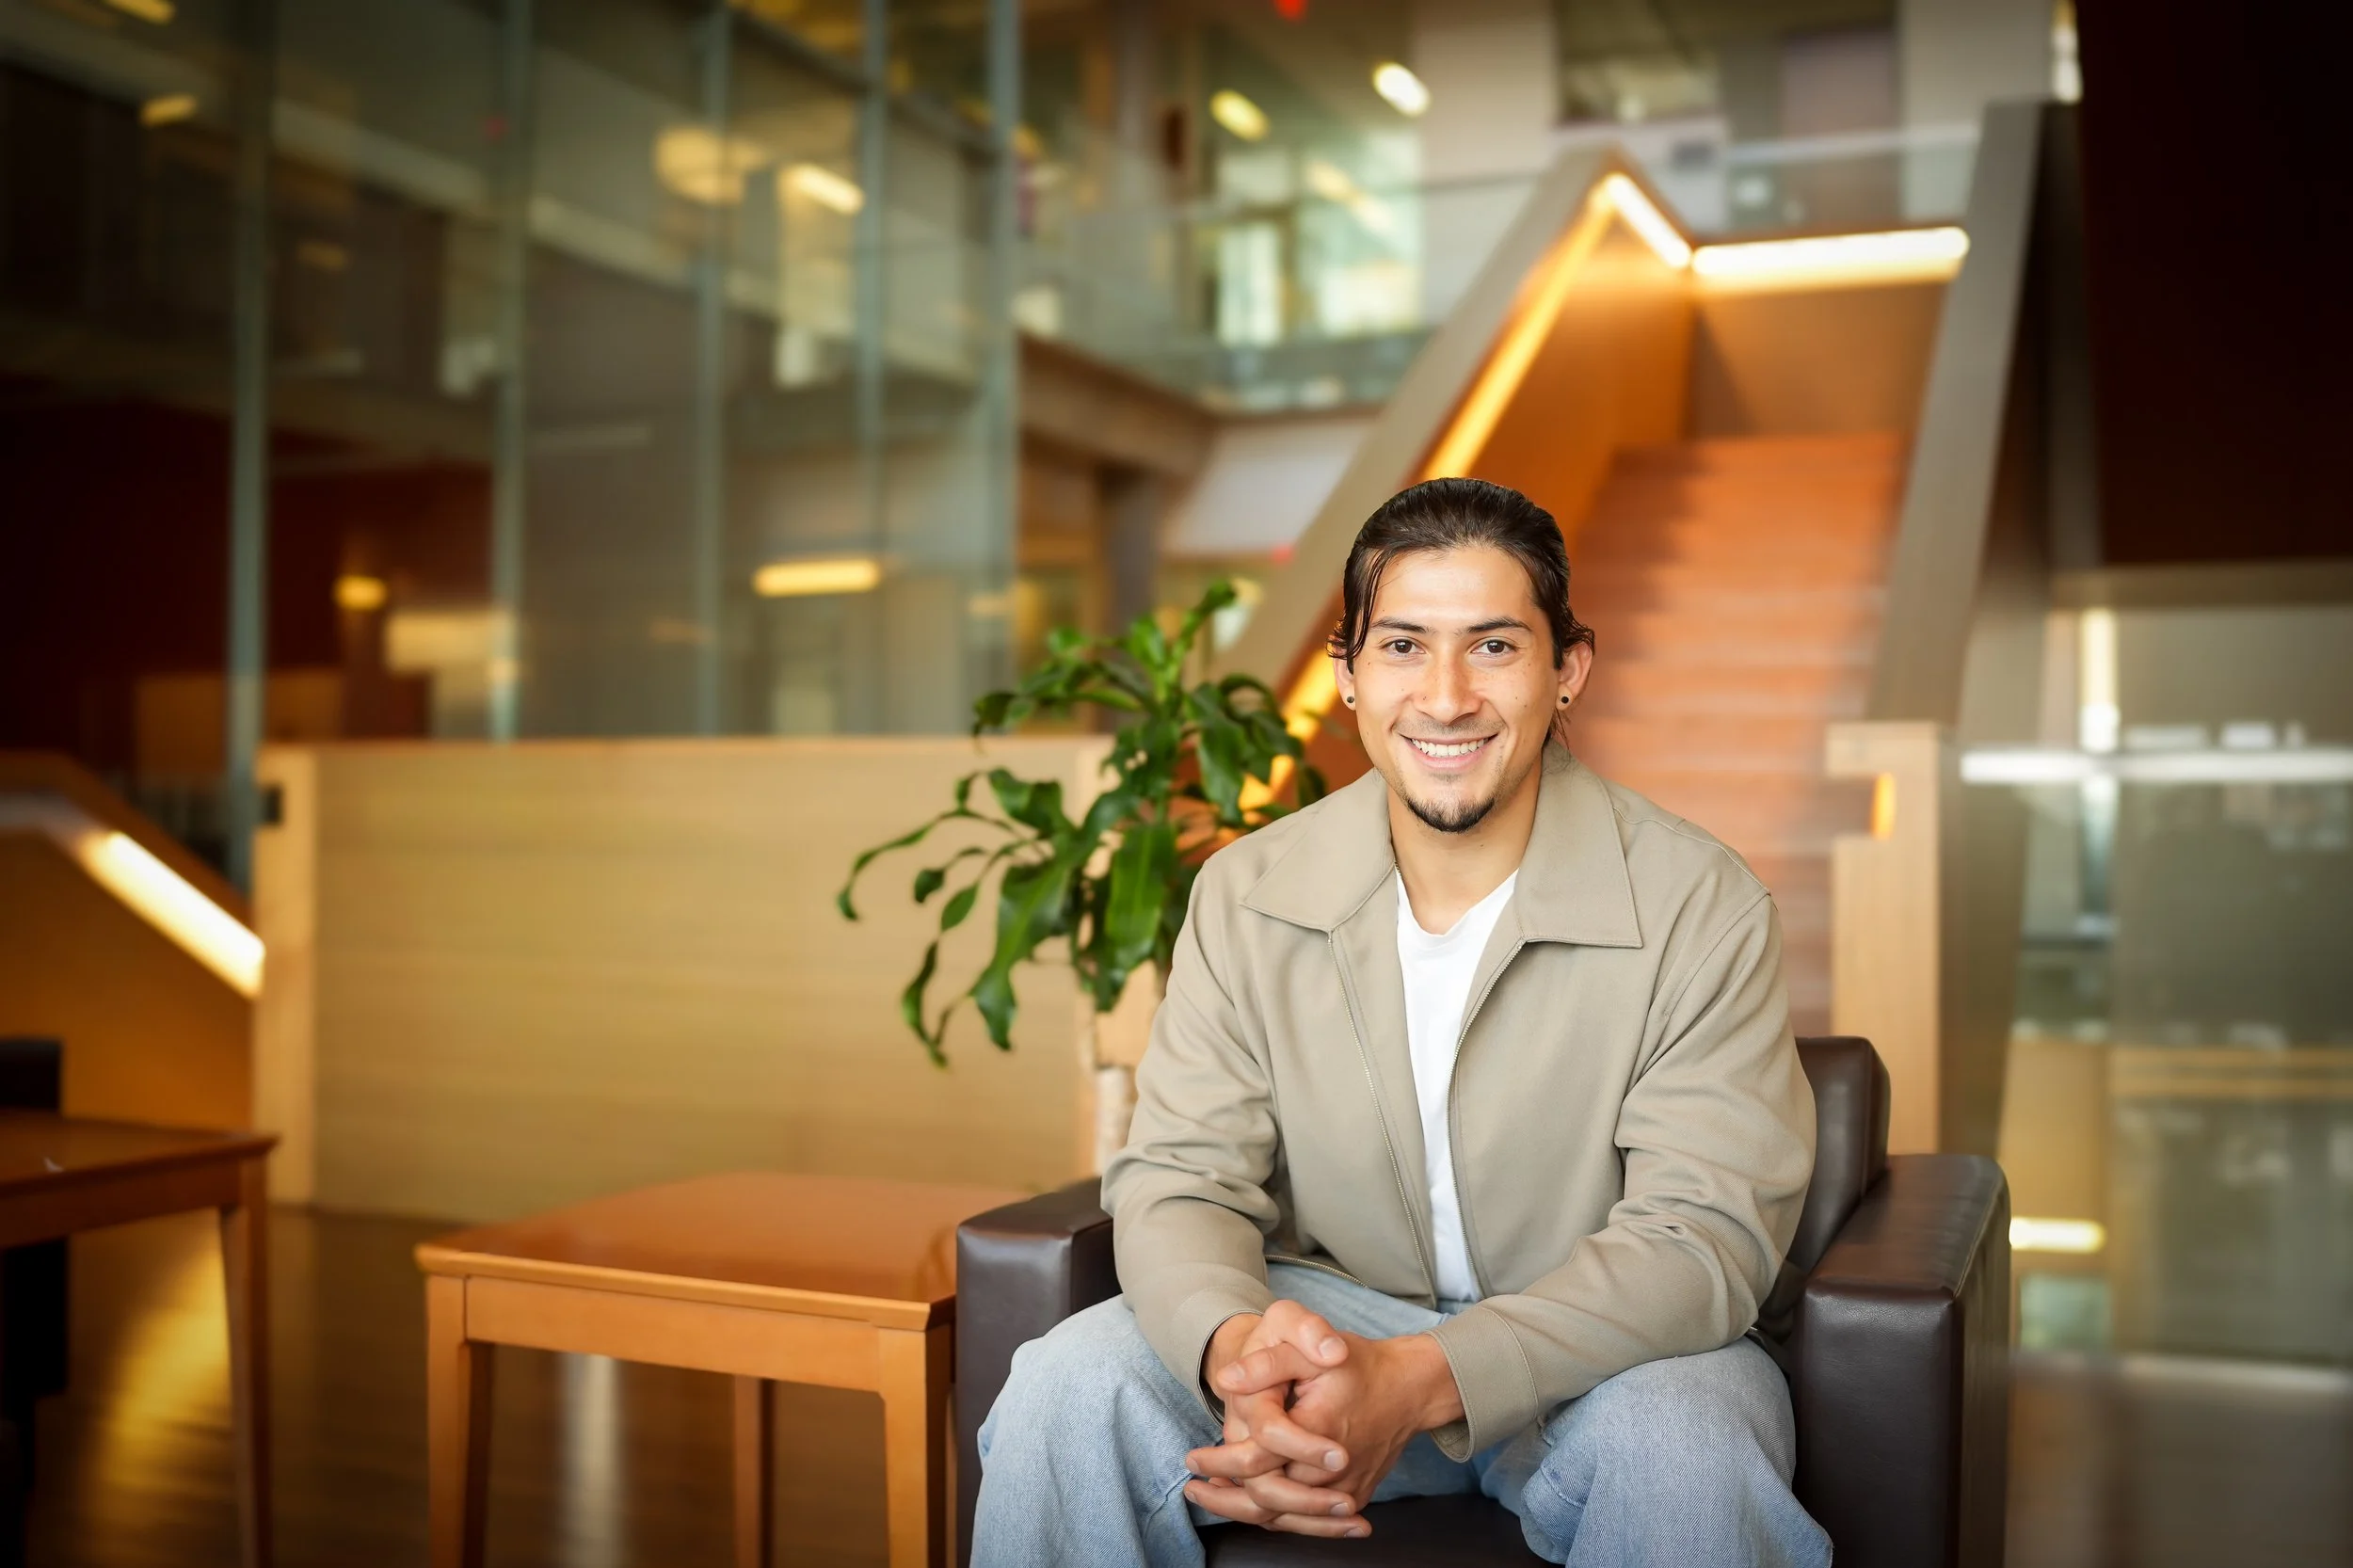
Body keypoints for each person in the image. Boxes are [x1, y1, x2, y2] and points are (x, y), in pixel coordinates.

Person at [972, 477, 1828, 1567]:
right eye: (1403, 647)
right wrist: (1241, 1351)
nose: (1445, 696)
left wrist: (1423, 1376)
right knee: (1065, 1386)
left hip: (1607, 1357)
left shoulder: (1697, 902)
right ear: (1347, 676)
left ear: (1567, 670)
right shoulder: (1247, 891)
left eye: (1494, 647)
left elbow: (1698, 1240)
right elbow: (1183, 1178)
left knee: (1685, 1450)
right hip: (1332, 1325)